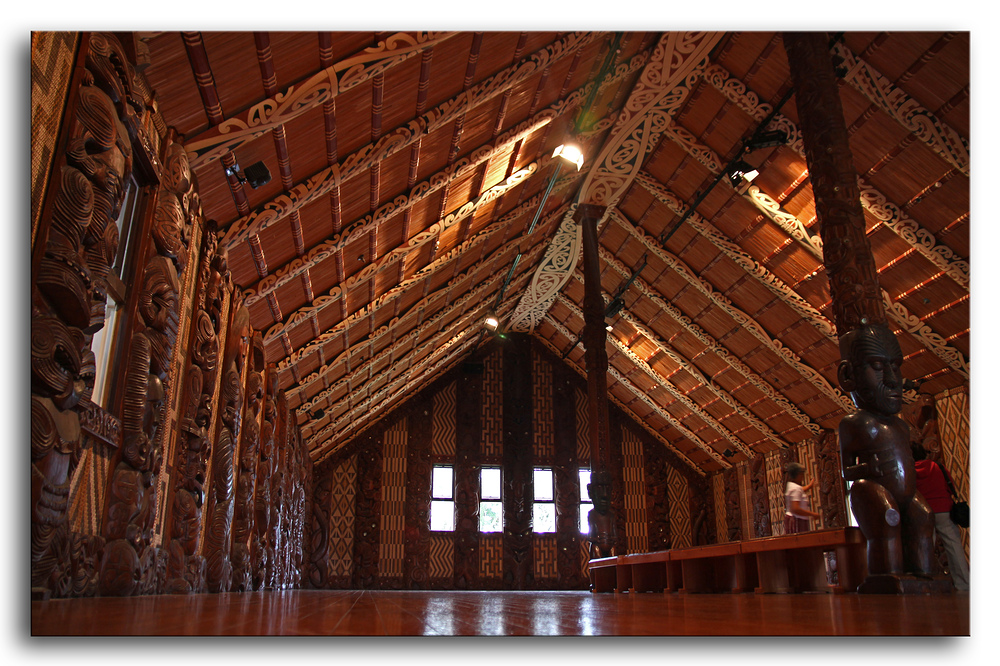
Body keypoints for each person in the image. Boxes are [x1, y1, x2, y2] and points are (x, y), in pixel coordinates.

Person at [837, 323, 935, 577]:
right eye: (878, 367)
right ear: (848, 375)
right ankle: (887, 575)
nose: (893, 380)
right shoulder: (855, 423)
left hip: (906, 493)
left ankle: (923, 573)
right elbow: (846, 470)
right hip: (874, 490)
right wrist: (869, 468)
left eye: (896, 367)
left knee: (923, 518)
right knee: (886, 521)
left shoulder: (901, 425)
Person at [911, 444, 970, 591]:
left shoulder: (910, 471)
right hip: (944, 509)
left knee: (926, 548)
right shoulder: (937, 466)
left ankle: (928, 585)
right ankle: (964, 584)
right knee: (954, 547)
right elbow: (949, 485)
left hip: (924, 513)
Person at [783, 462, 820, 534]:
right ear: (798, 474)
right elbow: (795, 509)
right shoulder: (795, 488)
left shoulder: (791, 485)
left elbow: (799, 491)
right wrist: (812, 514)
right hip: (797, 521)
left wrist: (809, 486)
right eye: (802, 473)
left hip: (794, 519)